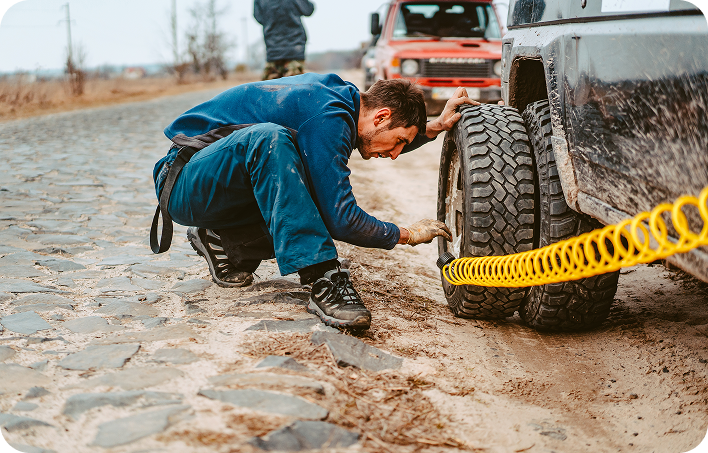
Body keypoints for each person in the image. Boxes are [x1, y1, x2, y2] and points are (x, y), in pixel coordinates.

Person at [152, 73, 478, 330]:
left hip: (214, 185)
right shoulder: (330, 113)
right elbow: (340, 217)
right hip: (181, 178)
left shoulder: (344, 108)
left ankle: (223, 240)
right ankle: (322, 277)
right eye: (399, 142)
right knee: (271, 140)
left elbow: (366, 149)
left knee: (303, 186)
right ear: (381, 117)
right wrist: (404, 234)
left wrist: (433, 128)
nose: (394, 155)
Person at [254, 0, 315, 80]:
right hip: (294, 48)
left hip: (273, 48)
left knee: (268, 89)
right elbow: (308, 10)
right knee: (296, 87)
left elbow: (258, 17)